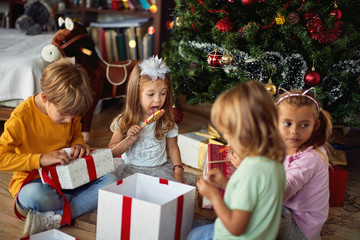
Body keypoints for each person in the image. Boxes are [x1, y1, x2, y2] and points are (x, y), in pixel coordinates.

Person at [0, 58, 118, 236]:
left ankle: (55, 215)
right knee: (37, 196)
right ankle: (79, 205)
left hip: (68, 177)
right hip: (33, 182)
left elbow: (76, 133)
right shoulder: (21, 117)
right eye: (63, 115)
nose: (69, 121)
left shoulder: (69, 108)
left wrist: (78, 143)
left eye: (73, 116)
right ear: (45, 97)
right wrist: (40, 159)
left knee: (111, 179)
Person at [187, 81, 287, 240]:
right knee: (197, 229)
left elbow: (236, 227)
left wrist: (213, 196)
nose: (225, 138)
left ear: (245, 133)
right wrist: (224, 184)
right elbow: (253, 199)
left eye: (227, 132)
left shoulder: (250, 172)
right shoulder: (274, 162)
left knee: (193, 234)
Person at [109, 56, 195, 184]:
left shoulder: (166, 120)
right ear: (136, 94)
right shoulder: (125, 121)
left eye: (163, 93)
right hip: (129, 170)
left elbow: (172, 146)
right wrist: (128, 140)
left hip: (158, 170)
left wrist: (178, 170)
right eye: (151, 94)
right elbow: (111, 152)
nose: (158, 100)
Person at [276, 87, 332, 240]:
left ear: (316, 126)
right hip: (287, 211)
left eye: (304, 125)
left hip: (299, 229)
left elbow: (280, 193)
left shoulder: (312, 157)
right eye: (287, 123)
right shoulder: (282, 143)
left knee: (255, 210)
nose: (294, 131)